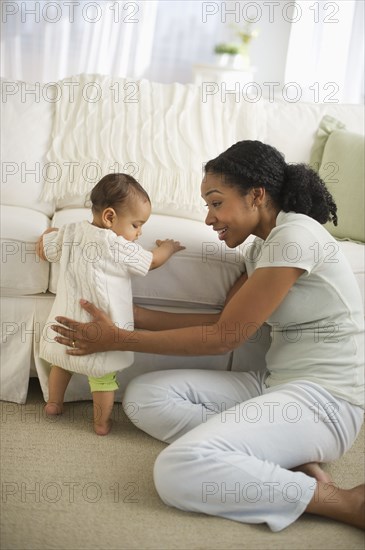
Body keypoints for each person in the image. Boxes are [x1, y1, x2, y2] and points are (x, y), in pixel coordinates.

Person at [49, 141, 364, 530]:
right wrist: (130, 318)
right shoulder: (260, 248)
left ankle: (344, 502)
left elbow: (223, 337)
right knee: (146, 397)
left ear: (256, 195)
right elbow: (222, 319)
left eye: (216, 203)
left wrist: (116, 339)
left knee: (178, 470)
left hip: (327, 401)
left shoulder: (297, 235)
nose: (209, 218)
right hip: (274, 385)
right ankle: (285, 453)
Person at [37, 173, 184, 435]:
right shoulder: (116, 245)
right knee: (103, 378)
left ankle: (53, 403)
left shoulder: (70, 231)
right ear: (110, 217)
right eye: (136, 225)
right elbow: (150, 261)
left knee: (62, 364)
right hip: (101, 330)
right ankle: (101, 423)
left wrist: (49, 233)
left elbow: (47, 249)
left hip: (65, 325)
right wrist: (168, 248)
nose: (139, 233)